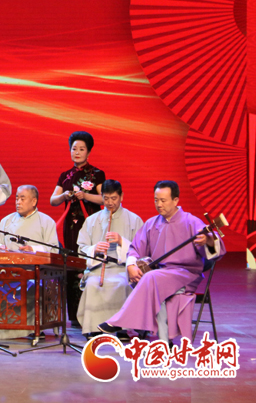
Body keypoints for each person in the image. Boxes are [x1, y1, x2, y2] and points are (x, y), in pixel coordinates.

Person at [99, 181, 225, 342]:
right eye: (156, 200)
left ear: (175, 200)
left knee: (151, 277)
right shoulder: (151, 223)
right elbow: (135, 248)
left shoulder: (191, 221)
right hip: (160, 274)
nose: (159, 204)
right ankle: (165, 342)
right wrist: (131, 265)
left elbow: (215, 245)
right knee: (151, 277)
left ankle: (120, 321)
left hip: (185, 274)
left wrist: (208, 240)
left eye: (163, 200)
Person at [50, 130, 105, 327]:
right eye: (74, 149)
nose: (77, 152)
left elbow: (104, 199)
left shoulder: (97, 174)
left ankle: (92, 314)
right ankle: (74, 316)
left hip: (90, 225)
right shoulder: (65, 176)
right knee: (72, 264)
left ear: (88, 151)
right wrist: (65, 196)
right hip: (71, 227)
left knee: (89, 263)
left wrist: (85, 196)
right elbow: (53, 200)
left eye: (82, 149)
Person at [76, 180, 143, 339]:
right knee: (93, 285)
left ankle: (122, 328)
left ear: (121, 196)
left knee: (122, 284)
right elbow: (81, 247)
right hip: (98, 268)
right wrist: (94, 249)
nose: (110, 203)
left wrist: (122, 242)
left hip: (123, 269)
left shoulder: (134, 219)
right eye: (106, 198)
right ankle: (94, 327)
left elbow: (141, 249)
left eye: (114, 198)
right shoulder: (92, 220)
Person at [0, 185, 58, 340]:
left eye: (22, 198)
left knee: (33, 288)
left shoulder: (46, 222)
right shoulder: (7, 221)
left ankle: (32, 328)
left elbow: (54, 250)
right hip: (8, 272)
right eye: (16, 198)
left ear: (34, 201)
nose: (18, 202)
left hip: (36, 273)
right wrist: (0, 247)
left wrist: (32, 249)